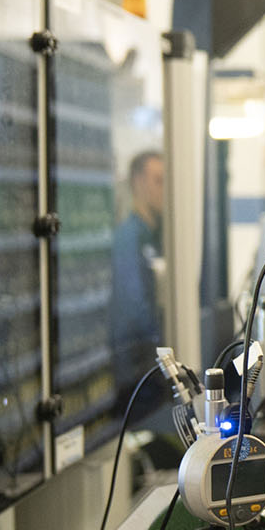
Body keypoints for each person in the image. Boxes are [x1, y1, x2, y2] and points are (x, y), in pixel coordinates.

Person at [109, 150, 166, 372]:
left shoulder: (157, 236)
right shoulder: (128, 238)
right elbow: (135, 307)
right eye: (158, 181)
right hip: (137, 364)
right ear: (138, 182)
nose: (164, 190)